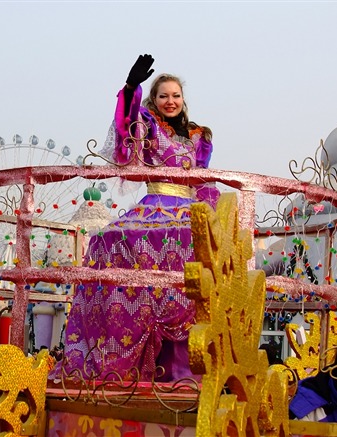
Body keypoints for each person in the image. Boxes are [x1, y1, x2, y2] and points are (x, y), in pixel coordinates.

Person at [54, 54, 219, 382]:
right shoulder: (148, 123)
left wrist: (210, 220)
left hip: (188, 213)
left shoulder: (200, 136)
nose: (170, 101)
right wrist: (131, 88)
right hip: (155, 203)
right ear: (154, 100)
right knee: (110, 241)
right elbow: (126, 126)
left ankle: (186, 372)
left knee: (192, 286)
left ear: (184, 100)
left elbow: (204, 181)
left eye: (175, 95)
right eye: (163, 95)